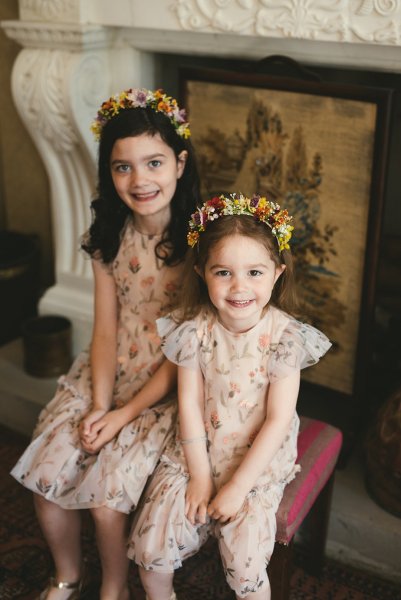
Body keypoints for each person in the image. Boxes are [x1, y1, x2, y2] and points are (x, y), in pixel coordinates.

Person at [11, 88, 200, 600]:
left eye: (154, 163)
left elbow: (186, 351)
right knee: (46, 476)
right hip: (108, 370)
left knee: (105, 502)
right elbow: (105, 329)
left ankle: (113, 586)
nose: (140, 181)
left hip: (165, 385)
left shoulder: (199, 244)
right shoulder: (108, 236)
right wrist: (98, 404)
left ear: (179, 164)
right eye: (123, 168)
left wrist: (122, 415)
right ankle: (67, 574)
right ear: (108, 172)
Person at [128, 193, 332, 600]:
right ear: (203, 272)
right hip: (198, 446)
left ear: (276, 273)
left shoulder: (284, 338)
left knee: (244, 564)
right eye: (224, 272)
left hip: (256, 459)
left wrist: (238, 486)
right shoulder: (193, 331)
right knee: (151, 550)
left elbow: (277, 420)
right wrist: (200, 475)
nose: (240, 287)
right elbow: (188, 402)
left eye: (255, 272)